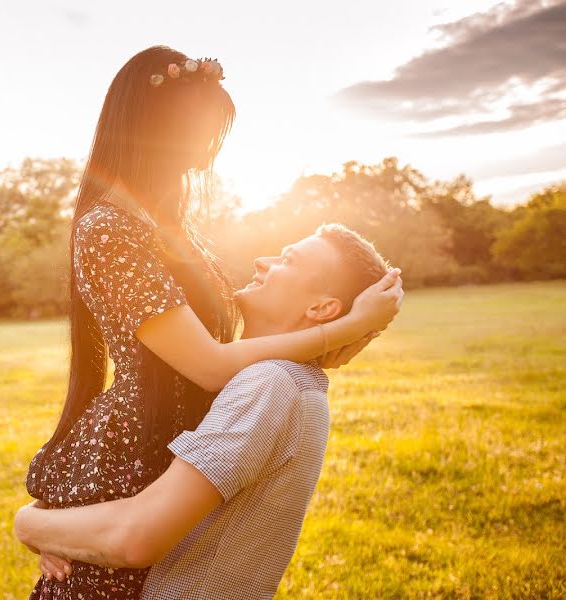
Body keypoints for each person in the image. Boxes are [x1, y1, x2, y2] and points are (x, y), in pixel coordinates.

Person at [24, 45, 404, 599]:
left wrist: (345, 335)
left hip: (172, 444)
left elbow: (241, 350)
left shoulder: (176, 229)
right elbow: (207, 364)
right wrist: (342, 329)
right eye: (197, 138)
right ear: (151, 130)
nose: (204, 159)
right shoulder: (110, 227)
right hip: (134, 450)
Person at [16, 224, 394, 599]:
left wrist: (30, 524)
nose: (263, 261)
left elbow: (136, 537)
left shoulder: (270, 384)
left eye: (286, 260)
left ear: (322, 308)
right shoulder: (286, 381)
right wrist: (66, 530)